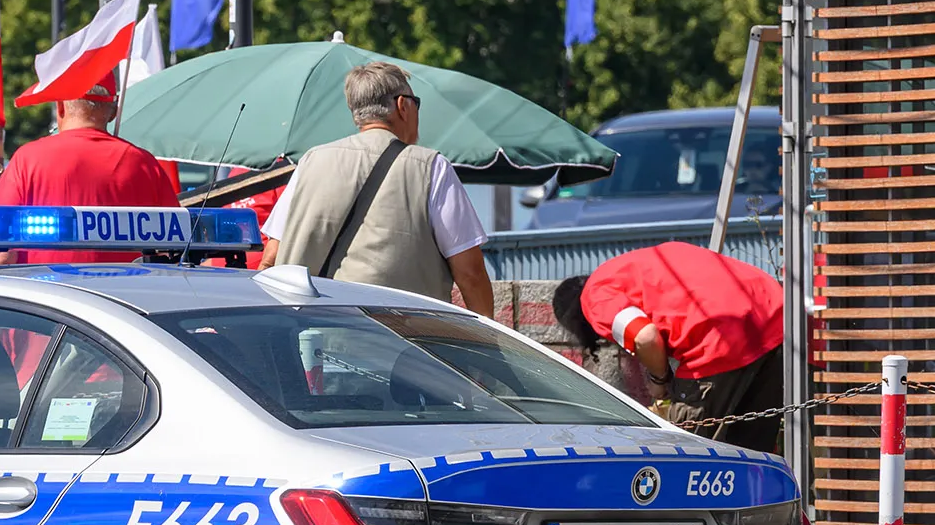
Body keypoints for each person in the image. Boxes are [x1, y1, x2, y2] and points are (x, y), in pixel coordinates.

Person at [259, 61, 496, 318]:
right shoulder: (430, 167)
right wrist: (492, 343)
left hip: (318, 334)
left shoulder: (310, 161)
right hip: (400, 341)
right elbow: (470, 272)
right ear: (402, 106)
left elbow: (271, 258)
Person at [553, 243, 784, 451]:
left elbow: (645, 337)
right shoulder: (625, 269)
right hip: (774, 313)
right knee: (754, 450)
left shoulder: (594, 298)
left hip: (719, 337)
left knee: (685, 450)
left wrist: (660, 381)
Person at [0, 71, 180, 264]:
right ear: (114, 112)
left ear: (61, 107)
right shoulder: (144, 164)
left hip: (46, 291)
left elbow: (0, 253)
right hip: (126, 291)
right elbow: (174, 246)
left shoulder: (27, 159)